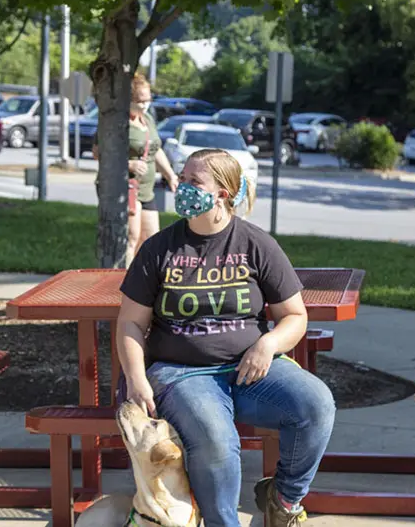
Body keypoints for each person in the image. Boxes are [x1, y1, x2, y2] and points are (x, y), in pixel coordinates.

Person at [115, 148, 336, 527]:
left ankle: (283, 500)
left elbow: (295, 316)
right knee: (217, 441)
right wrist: (136, 378)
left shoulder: (256, 244)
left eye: (193, 182)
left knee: (316, 404)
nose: (181, 187)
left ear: (222, 193)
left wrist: (267, 345)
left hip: (250, 371)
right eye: (182, 178)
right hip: (181, 374)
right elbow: (130, 324)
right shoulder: (159, 249)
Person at [93, 74, 179, 266]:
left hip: (147, 191)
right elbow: (99, 153)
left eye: (148, 99)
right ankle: (124, 283)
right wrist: (128, 164)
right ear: (129, 99)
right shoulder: (116, 121)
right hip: (126, 189)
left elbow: (155, 151)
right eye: (140, 100)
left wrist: (170, 175)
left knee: (151, 240)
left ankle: (145, 286)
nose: (145, 104)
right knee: (131, 239)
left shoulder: (147, 119)